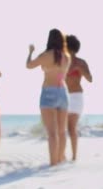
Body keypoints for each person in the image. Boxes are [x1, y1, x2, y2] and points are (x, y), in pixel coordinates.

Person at [26, 28, 72, 166]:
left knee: (52, 133)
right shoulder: (67, 57)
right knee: (62, 131)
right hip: (63, 91)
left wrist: (30, 52)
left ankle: (53, 163)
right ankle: (60, 159)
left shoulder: (46, 55)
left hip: (48, 92)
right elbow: (61, 74)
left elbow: (29, 65)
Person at [65, 35, 93, 161]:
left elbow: (90, 79)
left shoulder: (81, 62)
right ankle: (62, 155)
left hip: (76, 96)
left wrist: (80, 69)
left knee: (72, 127)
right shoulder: (63, 61)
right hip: (63, 95)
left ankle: (74, 156)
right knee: (63, 128)